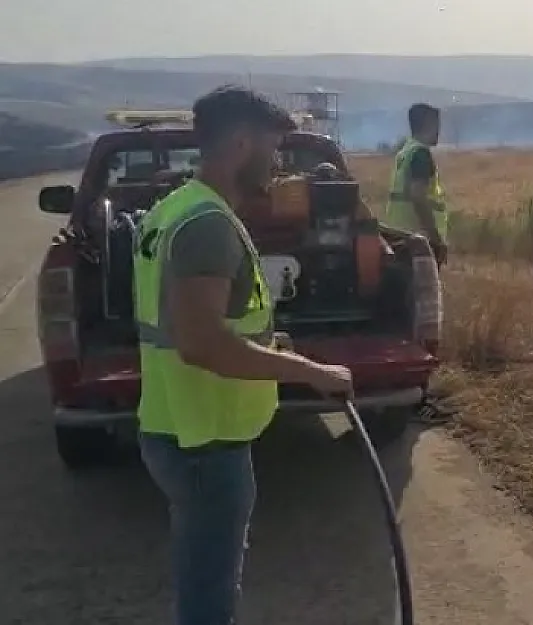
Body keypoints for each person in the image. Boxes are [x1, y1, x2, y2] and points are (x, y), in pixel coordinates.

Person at [132, 85, 354, 625]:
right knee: (209, 598)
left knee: (202, 579)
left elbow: (198, 325)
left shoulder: (175, 209)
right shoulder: (208, 224)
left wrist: (262, 348)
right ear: (238, 143)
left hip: (176, 423)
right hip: (204, 441)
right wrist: (312, 372)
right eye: (272, 147)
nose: (278, 162)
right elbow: (202, 342)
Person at [384, 102, 449, 265]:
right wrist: (435, 238)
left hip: (398, 235)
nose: (439, 131)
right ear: (428, 124)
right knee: (425, 288)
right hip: (418, 241)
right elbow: (418, 196)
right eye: (437, 124)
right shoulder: (420, 153)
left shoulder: (405, 152)